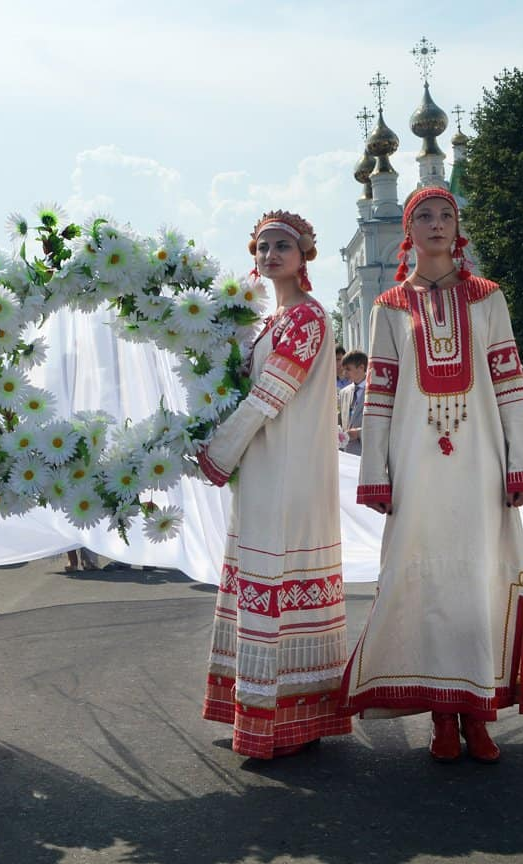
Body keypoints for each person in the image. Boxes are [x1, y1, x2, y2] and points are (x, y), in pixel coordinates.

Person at [342, 186, 523, 763]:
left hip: (480, 463)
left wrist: (522, 464)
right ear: (409, 230)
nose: (437, 223)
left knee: (478, 582)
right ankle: (440, 713)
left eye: (446, 215)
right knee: (425, 583)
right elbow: (378, 396)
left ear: (458, 226)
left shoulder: (488, 299)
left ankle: (477, 713)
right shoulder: (388, 307)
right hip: (416, 465)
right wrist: (376, 471)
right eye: (424, 216)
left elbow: (510, 387)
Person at [196, 211, 351, 759]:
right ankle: (278, 713)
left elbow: (268, 396)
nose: (270, 255)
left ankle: (288, 719)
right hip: (263, 468)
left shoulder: (307, 318)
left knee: (281, 573)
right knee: (265, 576)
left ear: (305, 253)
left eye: (282, 245)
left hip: (290, 471)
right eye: (263, 246)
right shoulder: (268, 320)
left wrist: (217, 452)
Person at [338, 350, 368, 456]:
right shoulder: (343, 393)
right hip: (347, 455)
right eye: (344, 369)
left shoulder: (376, 392)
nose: (344, 373)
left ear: (361, 368)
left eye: (348, 369)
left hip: (367, 454)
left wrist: (359, 433)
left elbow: (381, 426)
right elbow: (341, 423)